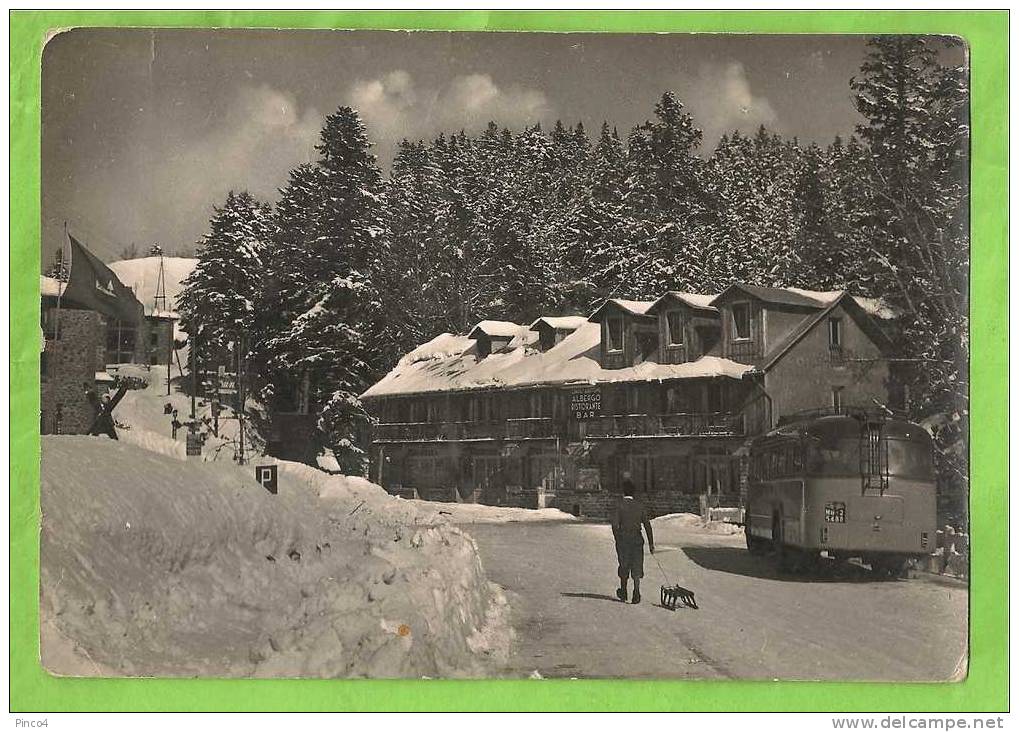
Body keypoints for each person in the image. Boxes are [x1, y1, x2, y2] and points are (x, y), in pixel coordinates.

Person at [611, 472, 655, 604]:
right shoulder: (640, 506)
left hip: (623, 540)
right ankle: (636, 593)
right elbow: (647, 525)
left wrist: (617, 538)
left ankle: (623, 591)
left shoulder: (619, 505)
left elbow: (614, 525)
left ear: (623, 492)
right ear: (634, 492)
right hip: (637, 540)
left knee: (624, 565)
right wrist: (651, 544)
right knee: (637, 565)